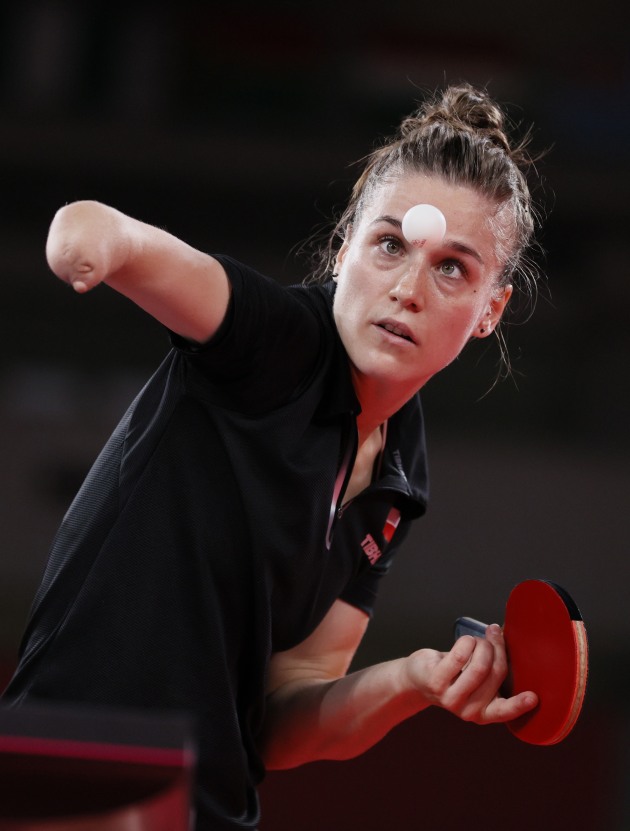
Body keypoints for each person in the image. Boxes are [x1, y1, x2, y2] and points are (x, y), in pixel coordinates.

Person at [3, 83, 542, 830]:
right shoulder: (275, 343)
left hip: (208, 804)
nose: (408, 289)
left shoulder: (399, 473)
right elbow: (139, 247)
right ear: (345, 244)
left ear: (491, 309)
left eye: (453, 267)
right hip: (78, 776)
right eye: (389, 245)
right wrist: (90, 237)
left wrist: (417, 678)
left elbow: (283, 717)